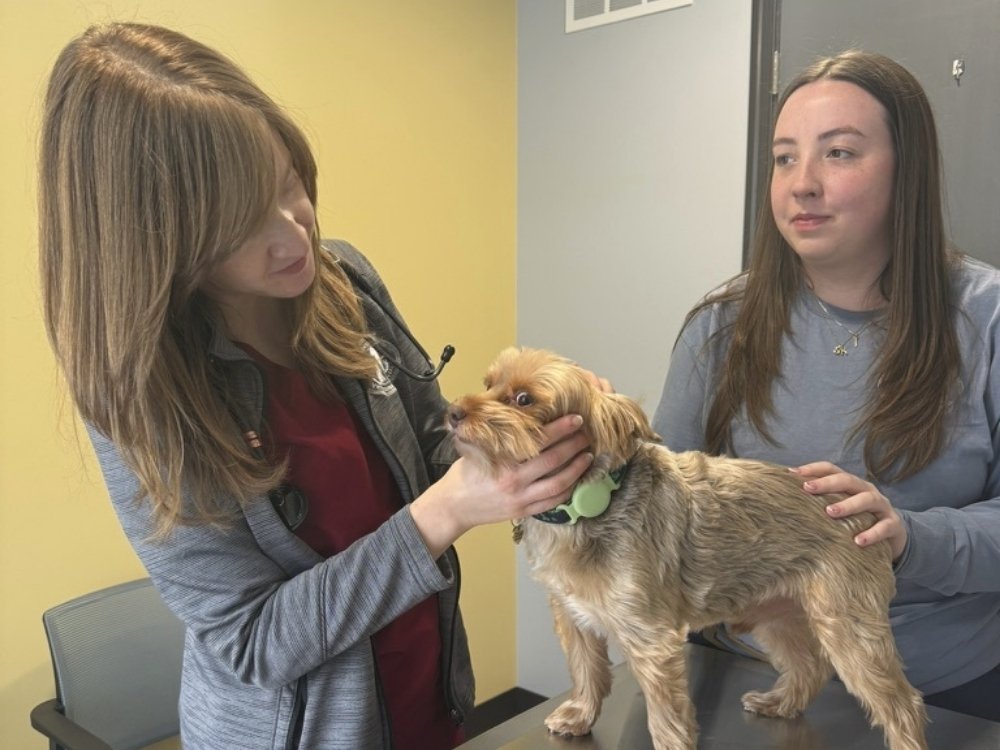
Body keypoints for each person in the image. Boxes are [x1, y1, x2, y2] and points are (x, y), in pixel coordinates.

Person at [38, 22, 597, 750]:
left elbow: (431, 452)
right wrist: (445, 514)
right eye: (241, 225)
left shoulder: (344, 282)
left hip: (430, 699)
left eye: (289, 185)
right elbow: (254, 641)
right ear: (161, 243)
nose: (294, 235)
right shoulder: (140, 397)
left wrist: (522, 441)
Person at [653, 49, 1000, 722]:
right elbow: (663, 506)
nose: (801, 184)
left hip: (944, 692)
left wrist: (906, 541)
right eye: (784, 158)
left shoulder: (986, 319)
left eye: (838, 153)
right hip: (745, 676)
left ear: (909, 171)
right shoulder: (720, 325)